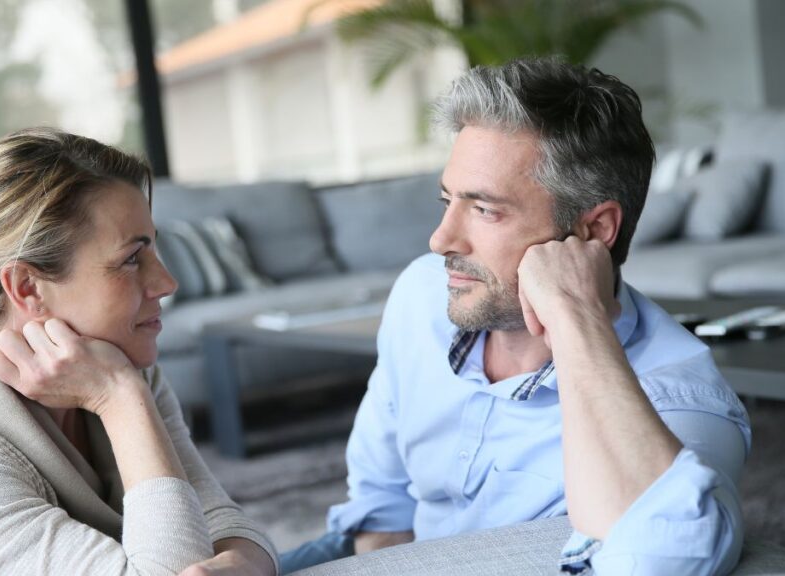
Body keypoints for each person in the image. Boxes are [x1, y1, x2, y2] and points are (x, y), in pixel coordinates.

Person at [280, 58, 751, 575]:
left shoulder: (676, 398)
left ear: (593, 231)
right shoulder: (421, 292)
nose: (441, 240)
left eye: (485, 210)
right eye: (447, 200)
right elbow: (383, 500)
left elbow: (669, 561)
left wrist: (574, 318)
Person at [0, 128, 278, 575]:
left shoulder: (123, 368)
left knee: (349, 548)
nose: (166, 283)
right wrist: (119, 399)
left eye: (153, 250)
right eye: (132, 259)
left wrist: (249, 565)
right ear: (27, 288)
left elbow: (226, 524)